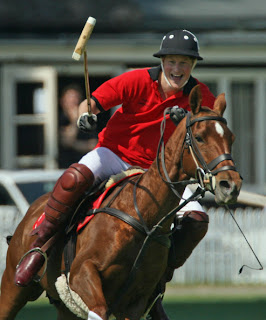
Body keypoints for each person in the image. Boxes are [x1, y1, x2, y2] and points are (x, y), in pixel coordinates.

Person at [15, 29, 215, 292]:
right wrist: (85, 116)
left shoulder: (199, 94)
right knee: (73, 178)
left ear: (193, 65)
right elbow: (91, 102)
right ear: (163, 62)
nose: (177, 69)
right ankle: (37, 248)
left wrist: (187, 124)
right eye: (172, 62)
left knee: (197, 218)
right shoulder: (138, 80)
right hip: (116, 154)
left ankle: (155, 281)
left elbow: (210, 134)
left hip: (159, 171)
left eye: (185, 63)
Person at [58, 84, 98, 168]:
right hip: (62, 167)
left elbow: (93, 144)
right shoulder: (58, 119)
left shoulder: (87, 120)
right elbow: (66, 142)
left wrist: (74, 144)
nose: (73, 102)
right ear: (62, 101)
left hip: (83, 166)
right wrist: (74, 121)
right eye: (69, 99)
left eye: (75, 98)